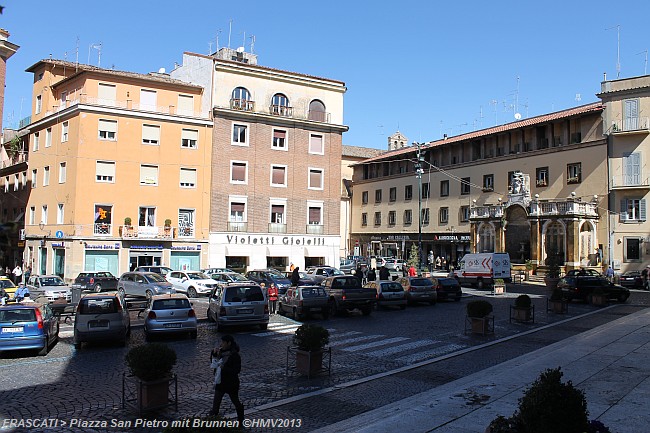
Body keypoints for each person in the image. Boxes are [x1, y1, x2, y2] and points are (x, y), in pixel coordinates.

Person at [210, 334, 244, 425]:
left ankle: (241, 421)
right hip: (220, 382)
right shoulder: (220, 352)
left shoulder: (235, 355)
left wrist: (224, 368)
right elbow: (214, 363)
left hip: (231, 383)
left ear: (229, 343)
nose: (221, 344)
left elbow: (236, 370)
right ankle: (212, 422)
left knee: (235, 401)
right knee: (215, 404)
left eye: (223, 342)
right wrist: (213, 354)